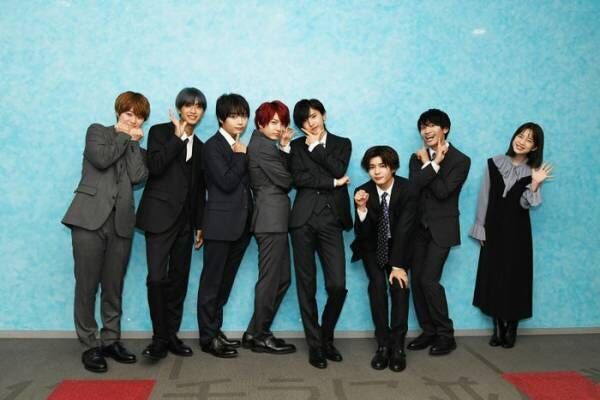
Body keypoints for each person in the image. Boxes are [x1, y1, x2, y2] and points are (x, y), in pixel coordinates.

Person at [62, 91, 149, 372]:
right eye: (129, 113)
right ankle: (90, 344)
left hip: (121, 223)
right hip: (89, 219)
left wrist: (133, 143)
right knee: (87, 285)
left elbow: (138, 177)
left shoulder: (136, 147)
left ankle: (111, 340)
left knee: (113, 286)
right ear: (118, 112)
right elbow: (101, 159)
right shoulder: (97, 132)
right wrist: (124, 136)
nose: (133, 120)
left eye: (139, 116)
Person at [136, 87, 207, 360]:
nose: (193, 110)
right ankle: (159, 338)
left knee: (179, 280)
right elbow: (155, 166)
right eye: (188, 105)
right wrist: (177, 139)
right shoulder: (159, 132)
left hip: (186, 224)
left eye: (198, 106)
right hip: (159, 218)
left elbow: (198, 189)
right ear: (179, 108)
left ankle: (171, 335)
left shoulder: (201, 146)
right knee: (157, 278)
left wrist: (199, 224)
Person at [470, 122, 552, 348]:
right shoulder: (493, 163)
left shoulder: (533, 172)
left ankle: (512, 326)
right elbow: (484, 197)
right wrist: (480, 227)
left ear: (535, 147)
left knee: (516, 277)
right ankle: (497, 326)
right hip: (493, 229)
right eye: (520, 135)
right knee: (492, 275)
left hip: (518, 232)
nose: (522, 141)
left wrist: (535, 183)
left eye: (529, 140)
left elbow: (527, 204)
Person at [289, 99, 352, 369]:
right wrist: (332, 183)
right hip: (302, 220)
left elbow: (339, 168)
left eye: (313, 116)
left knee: (337, 284)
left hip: (331, 220)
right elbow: (298, 179)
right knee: (306, 285)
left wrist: (316, 147)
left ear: (324, 115)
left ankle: (326, 336)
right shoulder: (294, 147)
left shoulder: (342, 143)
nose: (310, 123)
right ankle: (315, 345)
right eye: (304, 120)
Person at [407, 109, 470, 356]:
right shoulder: (417, 157)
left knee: (429, 280)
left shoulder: (461, 160)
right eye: (423, 127)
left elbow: (443, 192)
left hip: (442, 229)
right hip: (418, 229)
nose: (427, 131)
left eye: (432, 125)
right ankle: (428, 330)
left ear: (445, 129)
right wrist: (430, 163)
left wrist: (429, 165)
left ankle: (445, 334)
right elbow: (413, 188)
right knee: (416, 281)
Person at [351, 146, 416, 372]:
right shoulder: (362, 191)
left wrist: (397, 265)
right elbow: (362, 233)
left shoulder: (408, 189)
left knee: (399, 286)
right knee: (377, 286)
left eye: (382, 166)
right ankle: (383, 344)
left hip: (400, 246)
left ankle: (398, 346)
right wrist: (361, 209)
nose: (377, 171)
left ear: (393, 168)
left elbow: (405, 229)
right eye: (372, 167)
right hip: (372, 247)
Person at [197, 93, 252, 358]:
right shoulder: (212, 146)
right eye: (233, 116)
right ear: (221, 118)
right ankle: (207, 338)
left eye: (243, 115)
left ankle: (214, 329)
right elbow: (227, 182)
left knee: (224, 284)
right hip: (219, 225)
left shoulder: (239, 144)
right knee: (211, 284)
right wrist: (241, 156)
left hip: (241, 226)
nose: (240, 121)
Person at [242, 101, 296, 354]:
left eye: (283, 123)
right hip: (270, 219)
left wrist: (283, 147)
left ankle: (254, 332)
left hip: (275, 219)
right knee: (270, 280)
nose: (279, 128)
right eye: (273, 122)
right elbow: (286, 180)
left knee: (282, 279)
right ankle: (260, 335)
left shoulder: (266, 144)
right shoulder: (262, 146)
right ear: (260, 122)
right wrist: (284, 150)